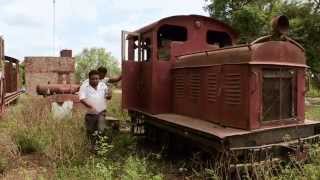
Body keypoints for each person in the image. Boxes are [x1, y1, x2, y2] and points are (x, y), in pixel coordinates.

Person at [79, 70, 109, 151]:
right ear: (89, 79)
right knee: (90, 131)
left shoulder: (103, 85)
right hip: (90, 114)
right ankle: (91, 148)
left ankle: (101, 149)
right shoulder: (84, 86)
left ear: (99, 79)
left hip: (101, 113)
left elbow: (108, 95)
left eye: (97, 78)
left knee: (101, 130)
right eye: (93, 79)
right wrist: (91, 106)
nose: (95, 80)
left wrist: (109, 95)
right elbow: (82, 99)